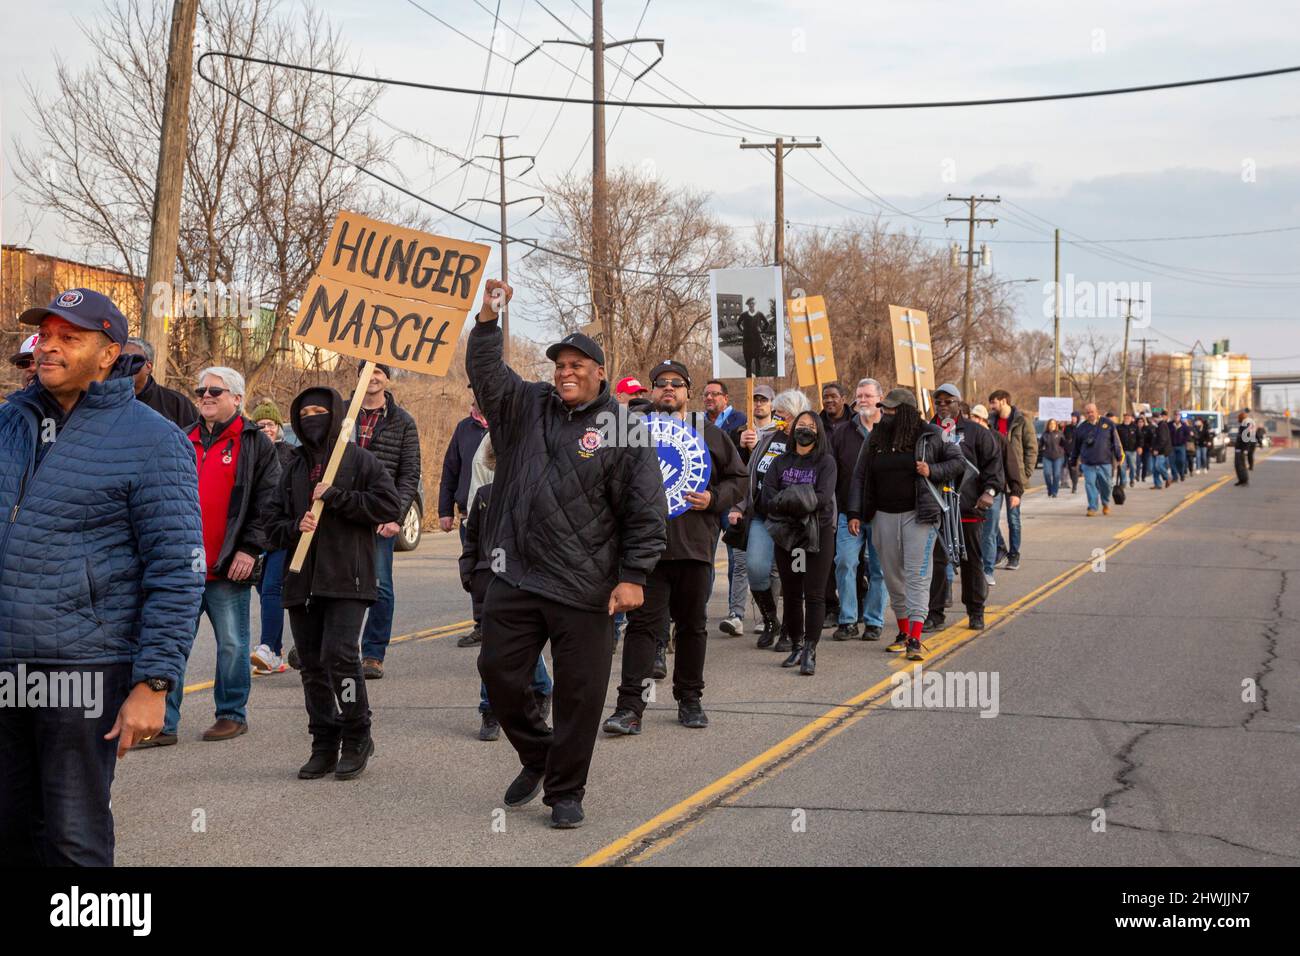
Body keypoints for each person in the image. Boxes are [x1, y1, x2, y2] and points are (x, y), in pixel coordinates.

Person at [0, 288, 203, 865]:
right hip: (4, 661)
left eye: (71, 337)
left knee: (72, 837)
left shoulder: (154, 440)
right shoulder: (7, 425)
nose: (50, 347)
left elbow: (178, 570)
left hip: (83, 668)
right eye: (47, 335)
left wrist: (155, 682)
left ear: (110, 352)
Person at [468, 281, 667, 829]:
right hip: (519, 575)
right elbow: (486, 373)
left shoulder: (624, 428)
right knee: (499, 673)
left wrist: (633, 576)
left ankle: (565, 791)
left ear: (600, 373)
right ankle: (538, 754)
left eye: (578, 364)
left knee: (580, 697)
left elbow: (645, 509)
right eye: (559, 363)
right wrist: (487, 318)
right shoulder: (526, 406)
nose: (565, 371)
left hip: (587, 587)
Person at [605, 361, 746, 734]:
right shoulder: (634, 432)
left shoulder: (709, 432)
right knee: (642, 629)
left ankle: (690, 700)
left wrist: (715, 498)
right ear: (651, 392)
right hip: (646, 552)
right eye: (661, 384)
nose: (669, 389)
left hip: (694, 547)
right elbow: (611, 481)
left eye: (677, 384)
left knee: (691, 627)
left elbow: (739, 479)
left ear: (688, 392)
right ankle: (630, 708)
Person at [266, 386, 400, 781]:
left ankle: (357, 733)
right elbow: (269, 525)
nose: (312, 418)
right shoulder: (290, 467)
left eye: (319, 410)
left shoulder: (360, 461)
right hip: (301, 581)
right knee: (311, 665)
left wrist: (337, 496)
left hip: (347, 577)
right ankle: (324, 740)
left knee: (341, 657)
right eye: (304, 411)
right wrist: (295, 526)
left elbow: (389, 505)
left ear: (336, 414)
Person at [149, 367, 280, 747]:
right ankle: (163, 722)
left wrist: (250, 549)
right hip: (180, 570)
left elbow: (268, 502)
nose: (205, 396)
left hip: (227, 566)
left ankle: (231, 714)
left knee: (233, 645)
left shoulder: (255, 443)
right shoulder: (181, 438)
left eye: (215, 391)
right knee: (171, 645)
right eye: (200, 390)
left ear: (237, 399)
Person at [846, 389, 963, 662]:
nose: (885, 413)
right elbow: (860, 476)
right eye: (884, 408)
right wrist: (855, 512)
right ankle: (902, 632)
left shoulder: (933, 433)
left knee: (917, 575)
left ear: (907, 412)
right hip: (882, 515)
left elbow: (958, 461)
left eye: (891, 409)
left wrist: (932, 471)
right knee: (892, 576)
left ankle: (916, 638)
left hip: (919, 516)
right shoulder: (876, 437)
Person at [460, 436, 553, 742]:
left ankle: (541, 687)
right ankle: (489, 709)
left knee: (523, 647)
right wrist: (470, 575)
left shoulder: (538, 495)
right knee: (491, 650)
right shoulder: (485, 497)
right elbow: (471, 541)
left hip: (527, 582)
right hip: (489, 584)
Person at [352, 362, 422, 679]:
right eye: (366, 370)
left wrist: (395, 515)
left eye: (378, 371)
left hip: (380, 515)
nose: (373, 375)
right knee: (329, 583)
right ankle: (327, 645)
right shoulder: (343, 413)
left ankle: (373, 654)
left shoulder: (402, 421)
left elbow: (409, 475)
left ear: (386, 378)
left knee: (380, 585)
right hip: (342, 510)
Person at [729, 388, 812, 651]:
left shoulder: (808, 442)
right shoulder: (767, 438)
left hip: (794, 521)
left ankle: (790, 630)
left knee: (792, 578)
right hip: (762, 516)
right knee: (755, 569)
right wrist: (740, 505)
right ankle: (769, 619)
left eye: (783, 414)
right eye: (776, 414)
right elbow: (750, 476)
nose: (777, 419)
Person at [757, 410, 837, 675]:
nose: (805, 429)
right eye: (800, 425)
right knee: (791, 593)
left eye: (811, 426)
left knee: (814, 593)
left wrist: (786, 497)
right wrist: (800, 498)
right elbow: (767, 498)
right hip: (787, 535)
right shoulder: (780, 462)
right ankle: (796, 645)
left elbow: (822, 498)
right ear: (792, 431)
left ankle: (810, 650)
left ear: (819, 432)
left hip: (816, 534)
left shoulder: (825, 462)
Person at [923, 384, 1003, 633]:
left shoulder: (977, 433)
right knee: (936, 562)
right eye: (939, 402)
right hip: (936, 508)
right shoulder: (926, 432)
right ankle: (934, 613)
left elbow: (993, 467)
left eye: (948, 401)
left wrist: (989, 492)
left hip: (967, 509)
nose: (943, 406)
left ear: (959, 403)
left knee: (971, 561)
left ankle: (975, 611)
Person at [830, 377, 887, 641]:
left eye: (868, 396)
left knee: (879, 568)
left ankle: (874, 621)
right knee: (845, 562)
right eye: (859, 396)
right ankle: (848, 620)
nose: (863, 400)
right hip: (847, 512)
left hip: (882, 514)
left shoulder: (889, 430)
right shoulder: (843, 432)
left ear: (880, 398)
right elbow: (832, 471)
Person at [250, 400, 297, 675]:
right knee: (263, 590)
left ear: (278, 427)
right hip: (258, 535)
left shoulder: (290, 454)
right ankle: (276, 652)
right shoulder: (250, 454)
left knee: (271, 589)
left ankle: (267, 646)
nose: (265, 428)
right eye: (259, 425)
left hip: (282, 532)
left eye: (269, 424)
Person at [442, 391, 490, 648]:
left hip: (503, 514)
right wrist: (444, 510)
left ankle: (509, 623)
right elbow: (450, 468)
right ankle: (481, 624)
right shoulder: (464, 428)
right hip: (470, 515)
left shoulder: (508, 422)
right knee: (475, 571)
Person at [703, 379, 749, 636]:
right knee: (706, 556)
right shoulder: (697, 423)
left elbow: (738, 460)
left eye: (715, 394)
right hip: (705, 497)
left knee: (736, 557)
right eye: (706, 394)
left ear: (726, 398)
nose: (710, 398)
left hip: (731, 498)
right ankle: (699, 605)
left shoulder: (740, 421)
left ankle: (736, 612)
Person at [987, 389, 1036, 570]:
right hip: (995, 477)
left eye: (994, 402)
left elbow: (1031, 449)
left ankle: (1014, 555)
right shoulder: (990, 421)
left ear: (1004, 401)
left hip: (1014, 479)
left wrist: (1025, 474)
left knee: (1013, 519)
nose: (992, 406)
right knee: (989, 517)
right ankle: (1000, 550)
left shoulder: (1022, 421)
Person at [121, 337, 199, 431]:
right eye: (120, 360)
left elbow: (194, 441)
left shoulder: (177, 404)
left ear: (149, 367)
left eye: (133, 360)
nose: (125, 365)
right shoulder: (104, 400)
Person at [1070, 402, 1124, 516]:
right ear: (1085, 414)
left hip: (1105, 462)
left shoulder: (1108, 424)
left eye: (1092, 412)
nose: (1090, 414)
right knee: (1090, 485)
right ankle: (1092, 507)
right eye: (1088, 412)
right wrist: (1073, 461)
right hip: (1088, 463)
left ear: (1097, 411)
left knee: (1107, 485)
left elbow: (1116, 441)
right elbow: (1076, 447)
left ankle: (1105, 503)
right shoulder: (1081, 428)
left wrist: (1119, 455)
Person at [738, 297, 769, 377]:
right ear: (748, 305)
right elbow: (738, 323)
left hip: (757, 343)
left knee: (758, 364)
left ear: (755, 304)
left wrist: (761, 330)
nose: (751, 305)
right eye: (750, 304)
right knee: (748, 365)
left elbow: (767, 323)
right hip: (747, 343)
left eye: (753, 303)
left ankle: (758, 380)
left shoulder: (759, 314)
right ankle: (748, 381)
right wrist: (743, 331)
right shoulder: (744, 315)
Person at [1040, 419, 1066, 497]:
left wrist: (1067, 441)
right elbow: (1040, 445)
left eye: (1054, 424)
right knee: (1047, 473)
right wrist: (1039, 448)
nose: (1052, 425)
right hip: (1047, 456)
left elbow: (1064, 443)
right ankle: (1049, 488)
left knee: (1056, 474)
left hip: (1058, 456)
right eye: (1050, 424)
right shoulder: (1044, 434)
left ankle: (1054, 492)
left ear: (1056, 425)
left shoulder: (1060, 433)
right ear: (1048, 425)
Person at [1150, 409, 1174, 490]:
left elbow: (1162, 440)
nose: (1153, 421)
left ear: (1156, 418)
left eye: (1153, 419)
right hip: (1157, 449)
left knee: (1158, 466)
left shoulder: (1162, 425)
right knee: (1154, 468)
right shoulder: (1159, 426)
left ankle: (1168, 477)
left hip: (1162, 450)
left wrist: (1157, 449)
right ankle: (1158, 484)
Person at [1117, 412, 1140, 487]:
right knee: (1122, 467)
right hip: (1122, 451)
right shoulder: (1119, 427)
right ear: (1123, 418)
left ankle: (1132, 479)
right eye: (1125, 417)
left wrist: (1140, 446)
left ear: (1131, 418)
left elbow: (1140, 438)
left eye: (1128, 417)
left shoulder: (1135, 427)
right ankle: (1123, 482)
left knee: (1133, 466)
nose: (1127, 418)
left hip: (1132, 450)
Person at [1063, 411, 1082, 493]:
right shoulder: (1067, 427)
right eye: (1072, 417)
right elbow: (1063, 438)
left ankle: (1074, 486)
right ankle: (1073, 482)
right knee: (1070, 469)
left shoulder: (1080, 428)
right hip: (1068, 451)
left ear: (1077, 418)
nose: (1073, 418)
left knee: (1075, 469)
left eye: (1074, 417)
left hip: (1077, 452)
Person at [1234, 411, 1255, 485]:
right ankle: (1241, 480)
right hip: (1238, 448)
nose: (1237, 419)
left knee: (1241, 465)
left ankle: (1244, 480)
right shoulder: (1242, 426)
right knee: (1237, 465)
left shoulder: (1245, 426)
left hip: (1241, 449)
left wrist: (1245, 449)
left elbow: (1247, 439)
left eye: (1238, 418)